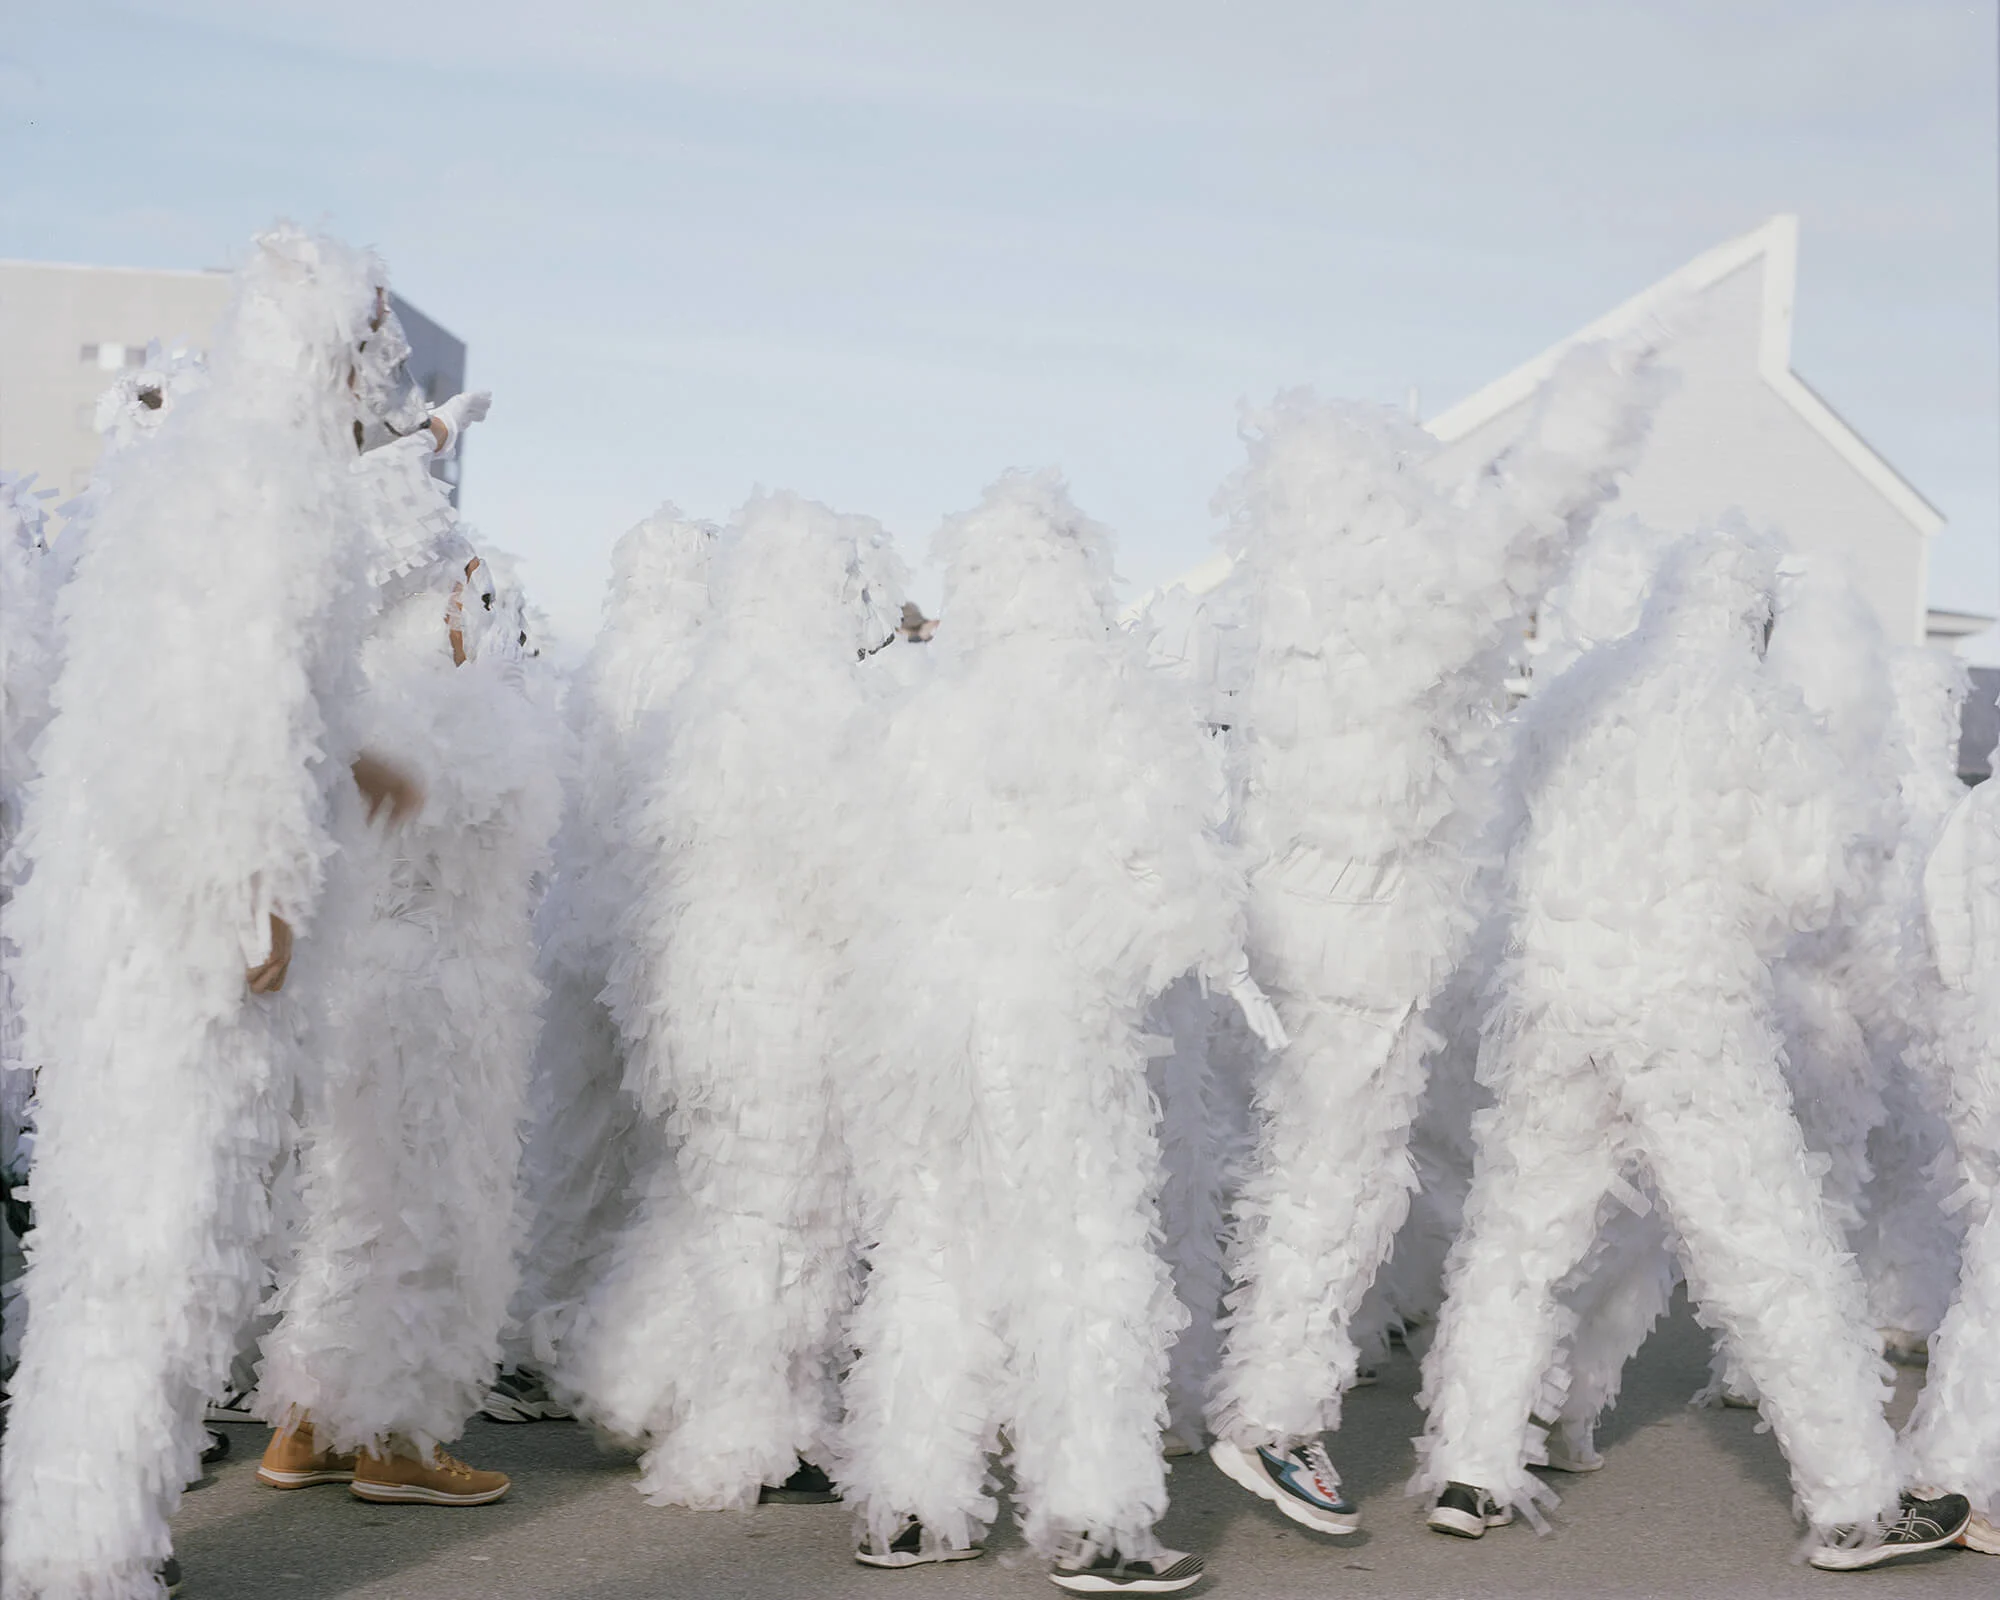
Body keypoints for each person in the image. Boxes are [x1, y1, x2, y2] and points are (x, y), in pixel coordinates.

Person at [1411, 524, 1970, 1571]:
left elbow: (1510, 828)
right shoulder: (1757, 714)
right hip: (1684, 1013)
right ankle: (1853, 1497)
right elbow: (1812, 884)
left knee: (1520, 1236)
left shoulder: (1578, 691)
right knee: (1766, 1242)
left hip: (1553, 1001)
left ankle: (1470, 1465)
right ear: (1752, 615)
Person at [0, 225, 414, 1600]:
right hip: (186, 935)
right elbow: (213, 718)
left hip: (133, 929)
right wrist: (257, 904)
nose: (375, 384)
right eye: (362, 354)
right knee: (153, 1259)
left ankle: (88, 1535)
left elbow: (226, 697)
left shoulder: (195, 480)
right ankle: (87, 1555)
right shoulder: (265, 489)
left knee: (124, 1252)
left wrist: (358, 764)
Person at [1206, 342, 1661, 1535]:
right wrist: (1594, 409)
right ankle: (1271, 1418)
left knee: (1313, 1173)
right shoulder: (1384, 625)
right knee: (1332, 1183)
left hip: (1304, 931)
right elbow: (1507, 546)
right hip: (1360, 952)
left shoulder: (1283, 632)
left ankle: (1272, 1402)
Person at [835, 471, 1280, 1593]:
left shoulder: (921, 706)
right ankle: (1091, 1522)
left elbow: (862, 877)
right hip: (1056, 1023)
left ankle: (909, 1503)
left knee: (928, 1252)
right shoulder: (1111, 697)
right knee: (1083, 1256)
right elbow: (1171, 890)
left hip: (918, 1019)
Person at [252, 317, 559, 1506]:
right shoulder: (454, 712)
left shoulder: (346, 703)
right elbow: (490, 852)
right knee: (429, 1205)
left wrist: (425, 434)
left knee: (348, 1200)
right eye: (466, 584)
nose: (478, 603)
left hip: (355, 973)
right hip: (439, 991)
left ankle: (307, 1419)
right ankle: (401, 1440)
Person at [556, 492, 905, 1511]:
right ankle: (742, 1429)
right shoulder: (812, 703)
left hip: (694, 998)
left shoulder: (704, 696)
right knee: (782, 1215)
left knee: (702, 1203)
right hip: (779, 1004)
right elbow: (834, 874)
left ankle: (636, 1378)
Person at [494, 507, 721, 1425]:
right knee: (657, 1154)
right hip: (652, 936)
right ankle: (621, 1341)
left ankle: (539, 1336)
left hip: (578, 932)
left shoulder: (597, 671)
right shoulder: (698, 674)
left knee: (574, 1143)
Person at [1898, 694, 2000, 1557]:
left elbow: (1942, 949)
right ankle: (1953, 1470)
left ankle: (1958, 1470)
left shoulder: (1974, 815)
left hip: (1984, 1071)